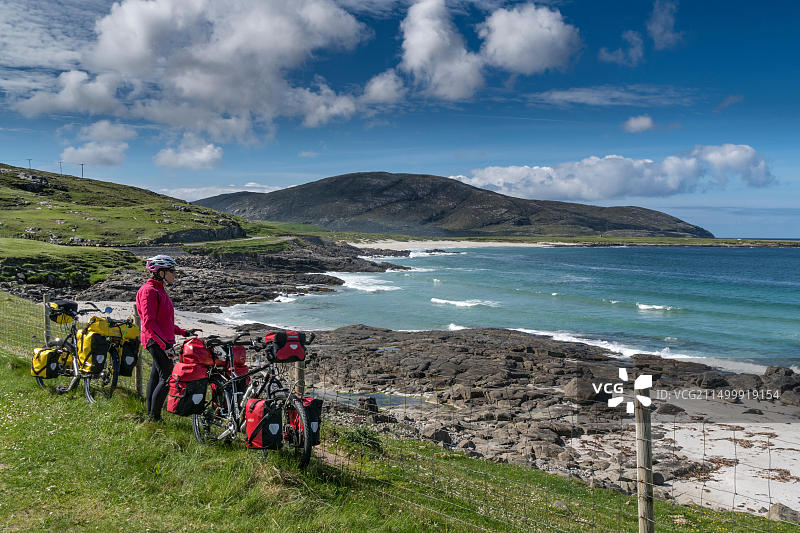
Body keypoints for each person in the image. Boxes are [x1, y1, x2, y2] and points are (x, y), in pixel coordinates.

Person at [136, 255, 200, 422]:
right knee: (168, 377)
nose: (175, 274)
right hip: (156, 341)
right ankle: (154, 417)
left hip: (161, 340)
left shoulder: (159, 290)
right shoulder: (149, 291)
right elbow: (149, 323)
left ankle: (150, 416)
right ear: (160, 272)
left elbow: (164, 322)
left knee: (156, 377)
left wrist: (184, 332)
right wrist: (164, 345)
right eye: (172, 270)